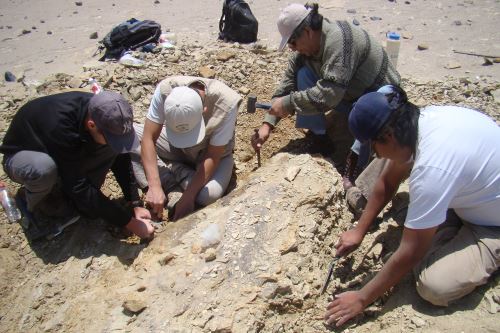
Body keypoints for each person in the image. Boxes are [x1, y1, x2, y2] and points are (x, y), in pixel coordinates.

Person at [325, 86, 500, 327]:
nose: (377, 155)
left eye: (374, 148)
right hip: (475, 196)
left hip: (491, 224)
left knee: (433, 285)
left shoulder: (431, 169)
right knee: (413, 216)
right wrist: (359, 229)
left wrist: (362, 298)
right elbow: (387, 180)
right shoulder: (419, 123)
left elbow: (411, 251)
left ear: (388, 137)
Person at [251, 2, 400, 171]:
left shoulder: (339, 41)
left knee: (363, 146)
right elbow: (286, 87)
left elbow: (330, 95)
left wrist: (287, 104)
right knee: (303, 74)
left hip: (382, 97)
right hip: (350, 95)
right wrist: (267, 124)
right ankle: (319, 137)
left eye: (292, 43)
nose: (292, 49)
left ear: (307, 32)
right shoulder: (304, 51)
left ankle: (356, 165)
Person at [0, 91, 154, 240]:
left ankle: (66, 191)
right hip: (22, 156)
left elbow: (121, 154)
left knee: (109, 150)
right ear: (91, 125)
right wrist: (130, 223)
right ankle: (34, 203)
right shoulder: (60, 125)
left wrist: (134, 203)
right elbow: (78, 186)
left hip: (60, 151)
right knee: (45, 171)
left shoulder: (106, 112)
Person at [133, 76, 241, 221]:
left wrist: (188, 197)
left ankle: (173, 168)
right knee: (130, 135)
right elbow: (148, 137)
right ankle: (171, 184)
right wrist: (154, 185)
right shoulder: (165, 90)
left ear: (204, 109)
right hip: (175, 146)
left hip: (211, 154)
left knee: (207, 196)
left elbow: (213, 156)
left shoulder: (227, 103)